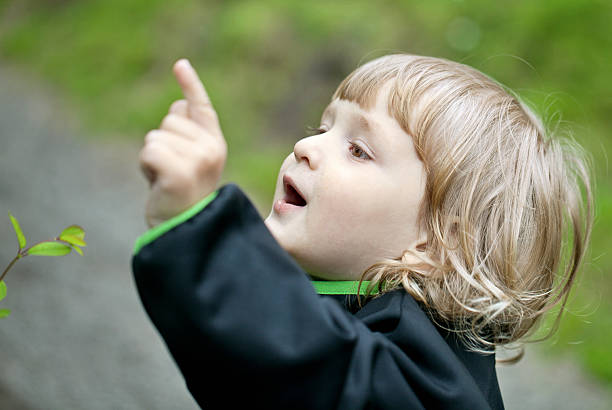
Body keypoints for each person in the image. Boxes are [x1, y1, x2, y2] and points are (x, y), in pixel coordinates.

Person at [132, 55, 592, 409]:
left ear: (438, 241)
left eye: (357, 149)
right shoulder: (358, 307)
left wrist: (199, 229)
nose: (305, 146)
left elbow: (312, 373)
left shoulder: (423, 376)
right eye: (323, 126)